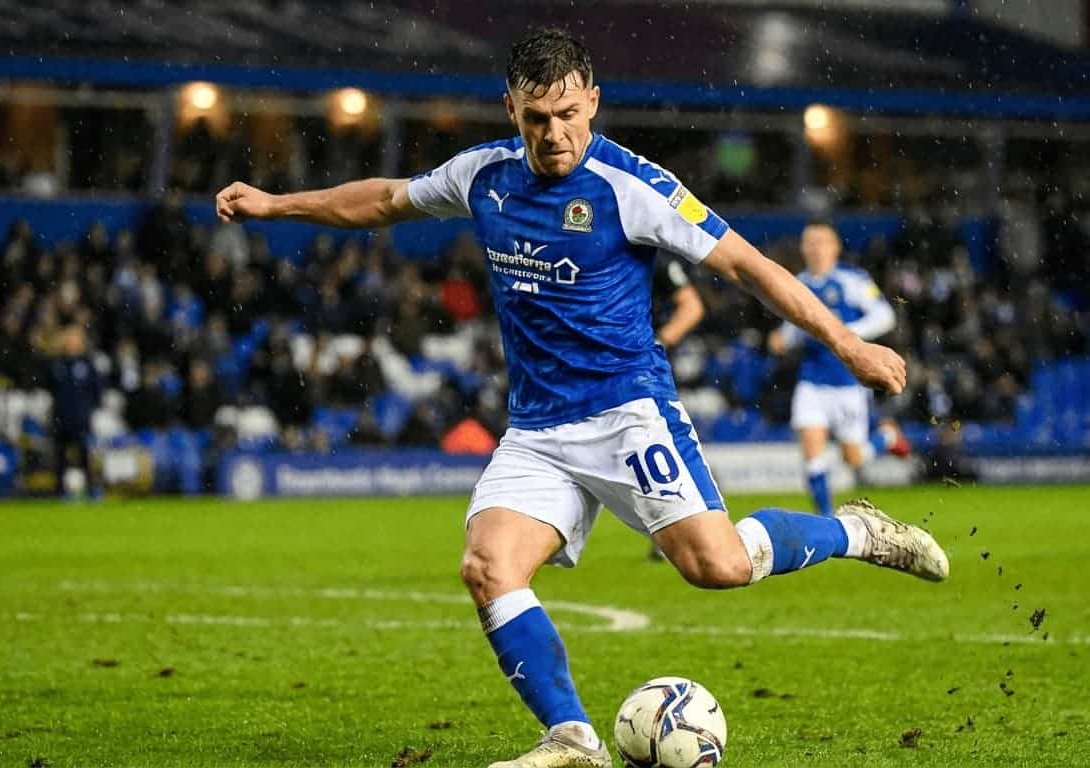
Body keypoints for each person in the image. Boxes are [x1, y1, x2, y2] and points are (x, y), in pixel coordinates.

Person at [217, 28, 946, 768]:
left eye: (569, 113)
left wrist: (849, 346)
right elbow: (383, 201)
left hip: (629, 414)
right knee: (488, 567)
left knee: (717, 566)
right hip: (536, 430)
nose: (555, 133)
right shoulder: (484, 176)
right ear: (510, 109)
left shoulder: (635, 187)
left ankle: (854, 531)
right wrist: (278, 205)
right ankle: (573, 738)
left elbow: (748, 266)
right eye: (537, 118)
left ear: (592, 102)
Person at [767, 221, 909, 517]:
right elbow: (796, 329)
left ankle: (887, 438)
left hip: (847, 383)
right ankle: (828, 519)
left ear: (835, 247)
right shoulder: (797, 284)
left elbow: (885, 317)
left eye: (822, 242)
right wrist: (782, 338)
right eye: (810, 243)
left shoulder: (852, 280)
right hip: (811, 382)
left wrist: (847, 334)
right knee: (812, 455)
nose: (816, 249)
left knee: (853, 459)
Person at [645, 253, 705, 560]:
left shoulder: (657, 258)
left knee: (663, 442)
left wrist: (659, 342)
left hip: (642, 369)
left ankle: (691, 522)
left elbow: (692, 306)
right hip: (613, 366)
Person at [48, 326, 102, 498]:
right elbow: (48, 386)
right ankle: (59, 491)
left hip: (81, 419)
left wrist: (87, 410)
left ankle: (91, 489)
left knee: (85, 455)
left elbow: (96, 391)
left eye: (76, 339)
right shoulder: (57, 364)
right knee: (60, 457)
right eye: (70, 339)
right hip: (61, 417)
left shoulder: (87, 364)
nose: (72, 343)